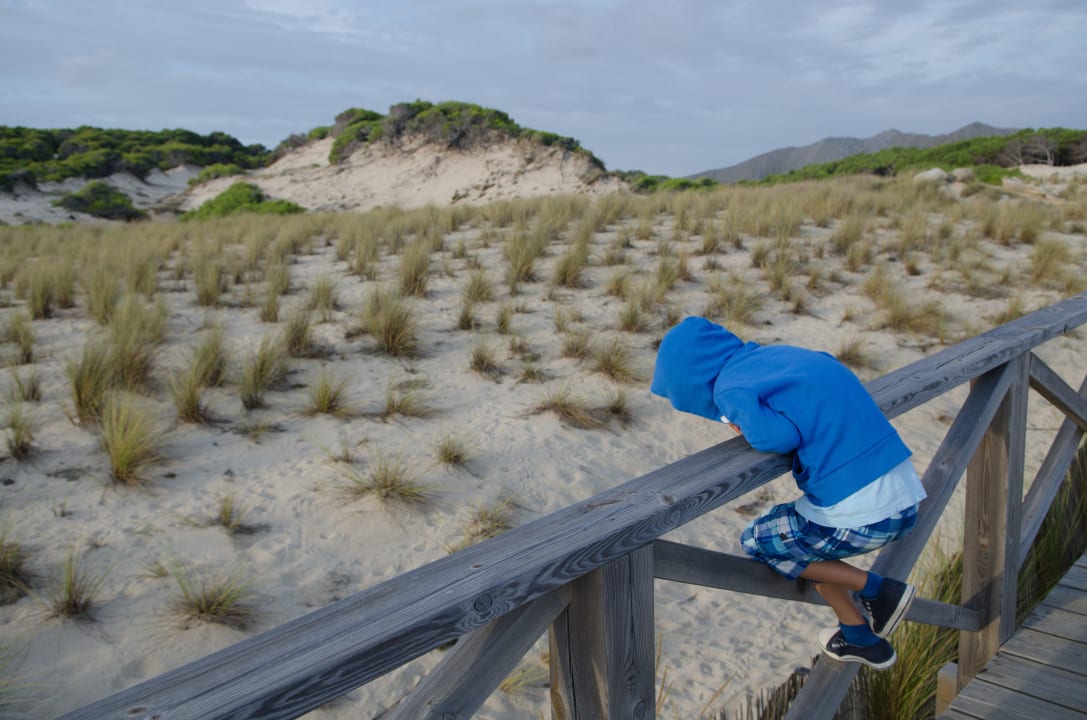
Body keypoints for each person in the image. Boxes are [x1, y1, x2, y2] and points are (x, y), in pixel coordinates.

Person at [650, 317, 926, 669]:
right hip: (904, 495)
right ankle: (859, 637)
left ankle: (877, 589)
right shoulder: (781, 355)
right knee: (793, 540)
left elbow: (777, 438)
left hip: (865, 513)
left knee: (759, 540)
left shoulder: (729, 387)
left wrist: (741, 423)